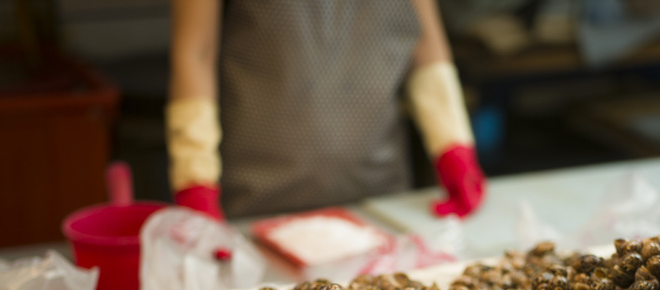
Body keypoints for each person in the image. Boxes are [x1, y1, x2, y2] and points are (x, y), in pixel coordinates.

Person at [166, 0, 486, 222]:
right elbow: (196, 52)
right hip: (259, 198)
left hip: (378, 196)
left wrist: (453, 145)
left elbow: (425, 42)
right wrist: (195, 179)